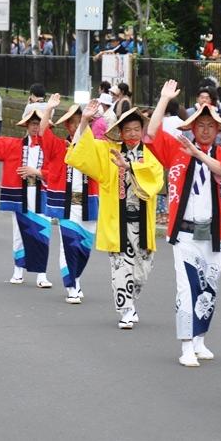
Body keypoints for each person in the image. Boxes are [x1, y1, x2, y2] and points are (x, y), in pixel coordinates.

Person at [146, 81, 221, 366]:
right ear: (192, 127)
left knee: (209, 287)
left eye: (211, 125)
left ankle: (199, 340)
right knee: (186, 287)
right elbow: (150, 134)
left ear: (218, 130)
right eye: (201, 125)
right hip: (184, 232)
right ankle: (185, 346)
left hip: (214, 232)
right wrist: (163, 99)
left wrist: (200, 156)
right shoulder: (177, 148)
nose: (205, 129)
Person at [66, 101, 163, 329]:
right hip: (117, 223)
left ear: (141, 131)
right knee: (121, 268)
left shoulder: (149, 157)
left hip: (141, 224)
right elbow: (82, 153)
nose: (131, 134)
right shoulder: (108, 152)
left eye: (136, 129)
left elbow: (156, 180)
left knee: (141, 271)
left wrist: (129, 167)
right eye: (127, 130)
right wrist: (83, 121)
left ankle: (131, 301)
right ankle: (126, 310)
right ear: (120, 133)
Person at [0, 108, 54, 287]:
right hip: (20, 195)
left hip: (42, 194)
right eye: (33, 124)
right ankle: (18, 270)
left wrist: (38, 172)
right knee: (19, 233)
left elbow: (58, 172)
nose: (36, 128)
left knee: (42, 233)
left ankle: (41, 274)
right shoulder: (14, 145)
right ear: (27, 126)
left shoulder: (53, 148)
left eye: (39, 124)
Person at [38, 95, 100, 303]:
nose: (76, 125)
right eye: (72, 122)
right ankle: (71, 285)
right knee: (69, 243)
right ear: (67, 125)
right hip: (66, 204)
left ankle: (76, 279)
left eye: (80, 120)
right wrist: (48, 109)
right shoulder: (58, 147)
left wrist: (86, 123)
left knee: (84, 246)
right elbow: (42, 133)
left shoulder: (94, 146)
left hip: (87, 202)